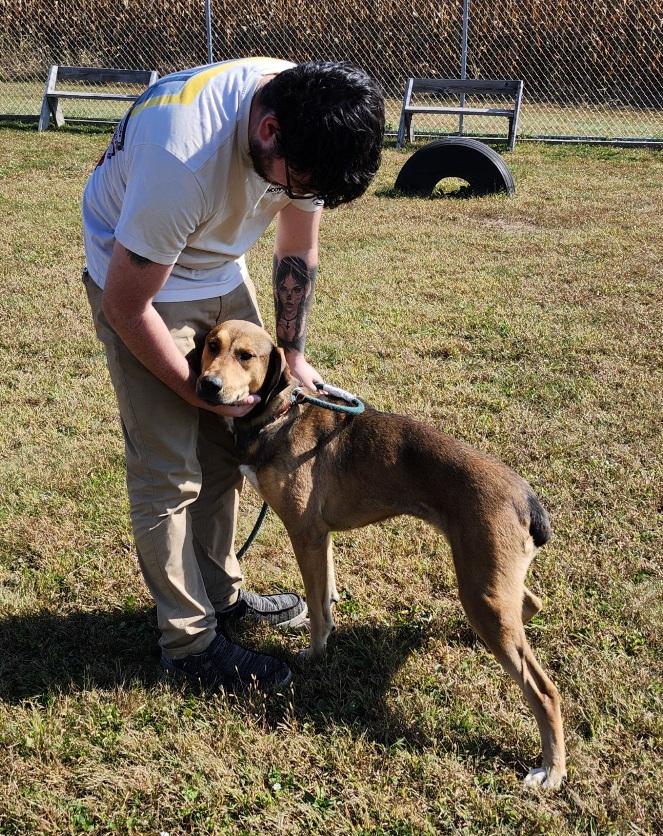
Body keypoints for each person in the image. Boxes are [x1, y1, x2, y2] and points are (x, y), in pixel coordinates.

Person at [81, 57, 385, 691]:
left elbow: (296, 248)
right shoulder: (182, 159)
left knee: (228, 456)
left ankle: (221, 597)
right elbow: (125, 304)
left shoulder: (312, 116)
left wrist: (292, 354)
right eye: (296, 182)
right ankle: (189, 647)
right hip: (139, 279)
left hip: (218, 268)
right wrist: (202, 393)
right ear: (268, 129)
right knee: (170, 469)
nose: (299, 196)